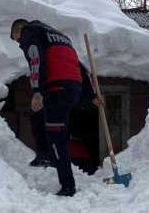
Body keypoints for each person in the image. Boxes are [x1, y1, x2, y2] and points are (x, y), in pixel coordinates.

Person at [10, 19, 98, 197]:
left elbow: (36, 60)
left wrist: (37, 92)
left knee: (55, 136)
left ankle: (67, 185)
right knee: (43, 118)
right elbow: (81, 67)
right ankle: (45, 154)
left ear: (19, 30)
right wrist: (91, 96)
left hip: (56, 88)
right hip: (73, 88)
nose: (18, 42)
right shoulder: (61, 38)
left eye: (15, 38)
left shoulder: (31, 33)